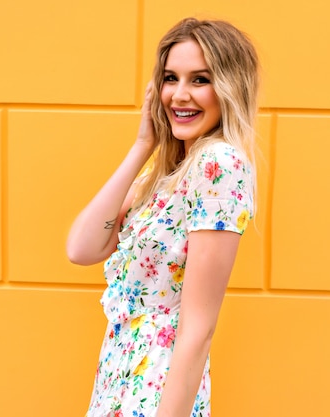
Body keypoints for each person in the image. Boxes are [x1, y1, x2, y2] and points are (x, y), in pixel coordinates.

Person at [67, 17, 260, 417]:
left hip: (158, 392)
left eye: (200, 80)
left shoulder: (218, 165)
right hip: (119, 379)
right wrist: (143, 144)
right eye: (171, 78)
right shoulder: (164, 178)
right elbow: (81, 249)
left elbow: (198, 330)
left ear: (229, 87)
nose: (180, 95)